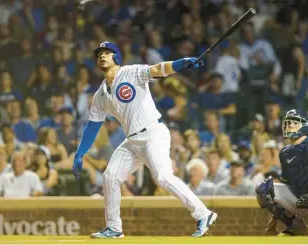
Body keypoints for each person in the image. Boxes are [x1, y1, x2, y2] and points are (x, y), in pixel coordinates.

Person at [72, 42, 217, 238]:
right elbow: (93, 125)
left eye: (107, 53)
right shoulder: (100, 95)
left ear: (116, 57)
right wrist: (80, 153)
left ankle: (204, 214)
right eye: (99, 54)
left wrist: (181, 63)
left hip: (152, 133)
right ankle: (114, 228)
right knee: (110, 176)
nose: (102, 56)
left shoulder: (131, 72)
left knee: (163, 177)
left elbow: (158, 70)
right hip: (132, 141)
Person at [255, 109, 308, 236]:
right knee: (264, 190)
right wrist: (274, 220)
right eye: (288, 123)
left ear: (304, 125)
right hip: (300, 200)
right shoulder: (284, 153)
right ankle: (295, 225)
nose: (290, 126)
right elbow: (289, 186)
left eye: (294, 123)